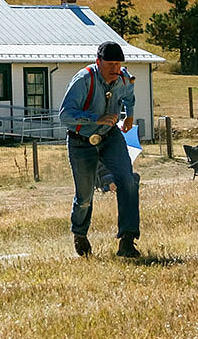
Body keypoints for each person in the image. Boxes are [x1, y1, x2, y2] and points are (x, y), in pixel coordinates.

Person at [59, 41, 141, 259]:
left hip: (110, 136)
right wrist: (96, 118)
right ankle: (80, 233)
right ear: (98, 62)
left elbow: (129, 94)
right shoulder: (84, 80)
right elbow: (64, 115)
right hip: (81, 140)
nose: (115, 68)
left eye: (118, 63)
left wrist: (129, 115)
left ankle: (127, 240)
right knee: (84, 196)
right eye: (110, 64)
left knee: (128, 180)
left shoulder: (123, 77)